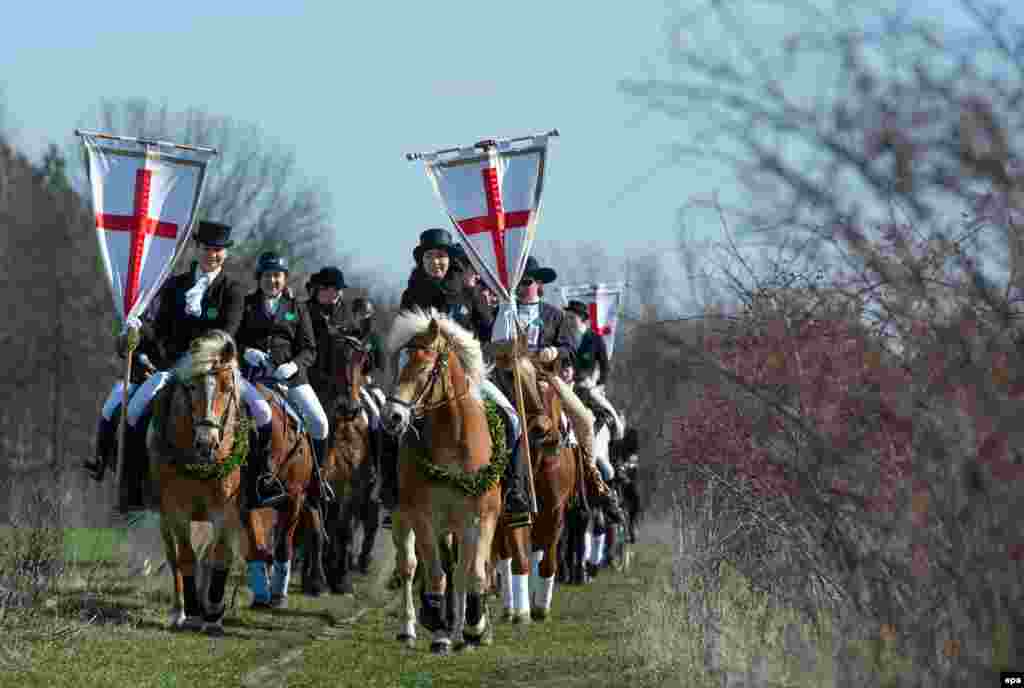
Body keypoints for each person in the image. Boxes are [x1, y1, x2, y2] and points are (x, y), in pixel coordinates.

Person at [89, 221, 285, 512]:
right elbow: (161, 328)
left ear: (225, 254)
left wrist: (205, 355)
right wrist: (139, 329)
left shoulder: (232, 291)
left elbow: (227, 331)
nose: (213, 255)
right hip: (176, 366)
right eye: (208, 249)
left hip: (217, 367)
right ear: (198, 249)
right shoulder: (176, 285)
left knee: (263, 412)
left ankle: (261, 482)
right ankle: (133, 483)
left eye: (218, 250)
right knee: (134, 410)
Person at [392, 228, 531, 524]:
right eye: (430, 257)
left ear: (449, 259)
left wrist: (507, 321)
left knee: (513, 420)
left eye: (441, 256)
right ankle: (392, 492)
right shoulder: (411, 294)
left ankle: (514, 489)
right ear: (422, 261)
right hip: (424, 376)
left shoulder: (469, 293)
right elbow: (405, 335)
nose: (436, 262)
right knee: (392, 419)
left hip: (467, 376)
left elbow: (488, 332)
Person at [237, 251, 332, 509]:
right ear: (260, 278)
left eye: (277, 276)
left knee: (320, 423)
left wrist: (293, 365)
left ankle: (317, 482)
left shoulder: (296, 308)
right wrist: (246, 351)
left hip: (290, 378)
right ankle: (251, 478)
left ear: (285, 279)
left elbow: (310, 349)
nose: (273, 281)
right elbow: (233, 339)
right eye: (267, 276)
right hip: (253, 377)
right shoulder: (245, 304)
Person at [563, 299, 625, 440]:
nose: (568, 321)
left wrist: (600, 385)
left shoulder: (595, 339)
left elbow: (605, 366)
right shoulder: (564, 339)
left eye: (572, 318)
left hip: (588, 385)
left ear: (582, 319)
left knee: (603, 408)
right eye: (567, 318)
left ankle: (610, 429)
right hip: (567, 384)